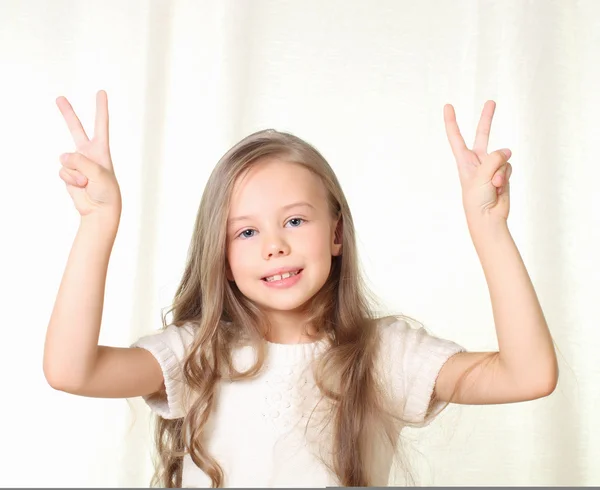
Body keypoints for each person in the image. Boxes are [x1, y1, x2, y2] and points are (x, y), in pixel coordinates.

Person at [44, 90, 558, 488]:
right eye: (246, 232)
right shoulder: (197, 353)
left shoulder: (383, 356)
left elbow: (528, 375)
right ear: (221, 258)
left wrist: (489, 228)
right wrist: (97, 223)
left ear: (335, 233)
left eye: (294, 220)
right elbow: (71, 370)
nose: (274, 246)